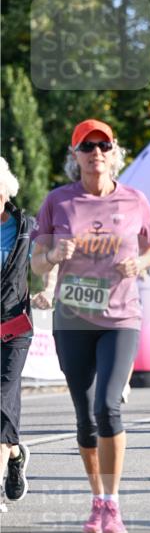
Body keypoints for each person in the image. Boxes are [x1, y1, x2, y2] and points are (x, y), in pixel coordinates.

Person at [31, 120, 150, 533]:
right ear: (75, 155)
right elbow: (36, 261)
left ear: (114, 151)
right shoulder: (58, 201)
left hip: (120, 317)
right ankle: (97, 500)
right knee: (85, 417)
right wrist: (54, 254)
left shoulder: (135, 199)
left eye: (103, 145)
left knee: (107, 407)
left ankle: (114, 503)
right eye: (87, 147)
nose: (96, 153)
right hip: (72, 320)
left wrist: (139, 263)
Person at [1, 159, 34, 511]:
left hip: (14, 326)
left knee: (2, 396)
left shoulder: (26, 227)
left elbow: (45, 262)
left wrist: (49, 286)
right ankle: (14, 455)